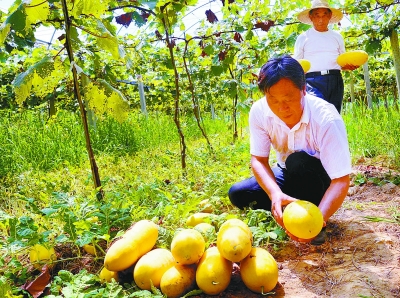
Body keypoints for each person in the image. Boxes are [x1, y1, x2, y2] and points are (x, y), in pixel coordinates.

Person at [228, 55, 351, 245]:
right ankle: (287, 205)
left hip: (319, 179)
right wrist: (274, 193)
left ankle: (313, 210)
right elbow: (258, 160)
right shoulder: (259, 112)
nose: (281, 107)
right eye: (273, 100)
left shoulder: (325, 119)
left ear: (303, 89)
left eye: (288, 98)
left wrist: (317, 221)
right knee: (239, 193)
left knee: (298, 161)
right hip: (288, 173)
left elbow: (341, 180)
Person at [293, 0, 358, 113]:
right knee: (318, 113)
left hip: (335, 79)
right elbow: (297, 65)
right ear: (311, 17)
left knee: (334, 114)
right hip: (312, 81)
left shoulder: (337, 37)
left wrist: (349, 66)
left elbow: (341, 61)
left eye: (324, 15)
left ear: (330, 16)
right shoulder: (303, 38)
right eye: (317, 15)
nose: (321, 20)